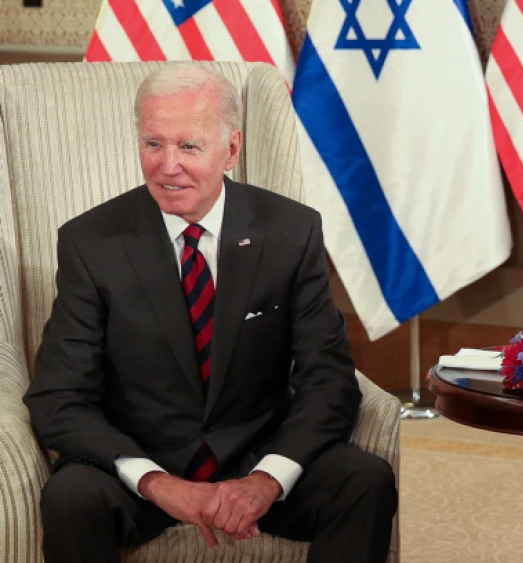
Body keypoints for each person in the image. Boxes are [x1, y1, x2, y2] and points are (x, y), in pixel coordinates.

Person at [23, 63, 396, 563]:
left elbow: (328, 380)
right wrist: (156, 481)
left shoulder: (291, 231)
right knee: (70, 497)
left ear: (232, 150)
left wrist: (267, 479)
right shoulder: (91, 242)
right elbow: (59, 397)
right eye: (153, 144)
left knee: (364, 481)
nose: (167, 165)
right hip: (142, 464)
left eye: (189, 146)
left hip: (254, 457)